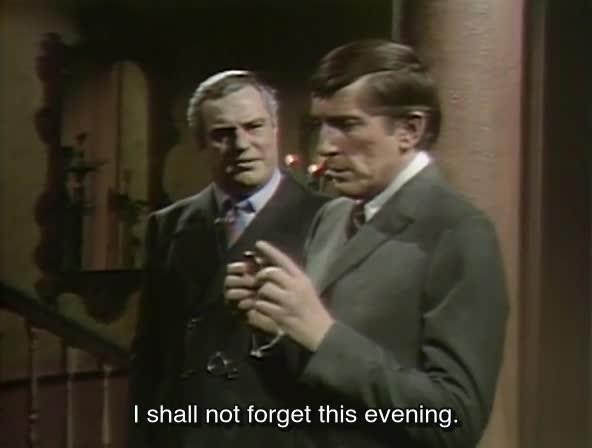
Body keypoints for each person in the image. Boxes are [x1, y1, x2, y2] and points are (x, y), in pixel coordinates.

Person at [225, 40, 509, 447]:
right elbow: (310, 386)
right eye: (321, 125)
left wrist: (324, 336)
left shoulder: (459, 233)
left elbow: (455, 420)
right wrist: (276, 326)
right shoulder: (332, 216)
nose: (324, 147)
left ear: (410, 130)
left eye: (347, 125)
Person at [127, 70, 327, 448]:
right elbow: (150, 354)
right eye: (223, 134)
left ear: (275, 129)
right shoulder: (168, 225)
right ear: (201, 143)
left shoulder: (326, 219)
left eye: (254, 127)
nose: (241, 145)